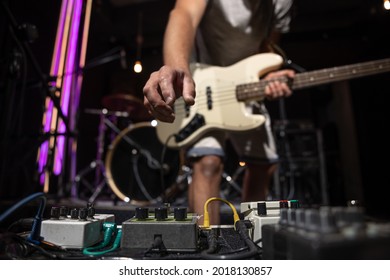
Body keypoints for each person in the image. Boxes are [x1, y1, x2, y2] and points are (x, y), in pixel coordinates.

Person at [143, 0, 295, 224]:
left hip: (245, 83)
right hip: (204, 81)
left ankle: (251, 246)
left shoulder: (282, 3)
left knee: (263, 165)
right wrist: (176, 68)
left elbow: (268, 48)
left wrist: (269, 77)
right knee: (207, 161)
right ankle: (206, 247)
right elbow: (184, 13)